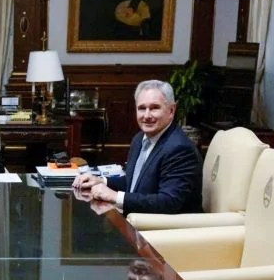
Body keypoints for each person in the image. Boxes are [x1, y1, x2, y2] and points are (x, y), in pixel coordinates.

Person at [73, 79, 201, 215]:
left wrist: (115, 196)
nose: (147, 115)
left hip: (163, 226)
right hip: (137, 220)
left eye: (154, 108)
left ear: (171, 110)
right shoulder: (140, 139)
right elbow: (134, 183)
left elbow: (169, 202)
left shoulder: (179, 148)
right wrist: (101, 180)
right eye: (142, 108)